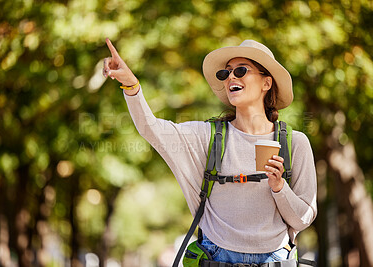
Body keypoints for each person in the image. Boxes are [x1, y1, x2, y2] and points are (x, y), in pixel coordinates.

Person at [103, 38, 317, 265]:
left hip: (276, 258)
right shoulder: (206, 136)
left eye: (241, 70)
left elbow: (303, 219)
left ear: (266, 83)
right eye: (226, 74)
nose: (231, 77)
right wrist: (131, 86)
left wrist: (279, 187)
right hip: (216, 257)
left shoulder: (296, 144)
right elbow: (151, 129)